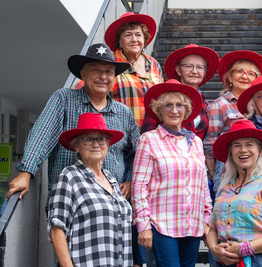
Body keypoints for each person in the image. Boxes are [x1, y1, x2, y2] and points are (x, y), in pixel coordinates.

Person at [6, 43, 139, 208]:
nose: (103, 77)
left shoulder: (124, 113)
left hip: (109, 209)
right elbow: (42, 135)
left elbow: (137, 153)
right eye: (96, 70)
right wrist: (25, 172)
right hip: (68, 205)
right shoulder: (64, 99)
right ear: (83, 73)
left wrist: (130, 180)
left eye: (108, 72)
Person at [132, 79, 212, 267]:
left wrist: (206, 219)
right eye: (168, 105)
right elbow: (139, 185)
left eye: (180, 105)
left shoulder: (196, 142)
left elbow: (203, 185)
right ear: (159, 109)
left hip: (192, 225)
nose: (174, 110)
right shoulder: (148, 140)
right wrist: (143, 226)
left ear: (187, 110)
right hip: (162, 225)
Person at [48, 113, 133, 266]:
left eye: (101, 139)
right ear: (76, 146)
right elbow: (56, 228)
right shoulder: (69, 177)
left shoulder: (111, 179)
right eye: (88, 139)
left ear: (108, 144)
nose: (96, 144)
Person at [207, 120, 262, 267]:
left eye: (249, 144)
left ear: (259, 151)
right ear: (231, 153)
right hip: (225, 262)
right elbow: (212, 228)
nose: (243, 150)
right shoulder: (224, 187)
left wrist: (243, 248)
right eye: (236, 145)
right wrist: (215, 250)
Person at [203, 50, 262, 198]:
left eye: (251, 73)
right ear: (230, 77)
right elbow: (210, 146)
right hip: (228, 170)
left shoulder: (259, 105)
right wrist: (219, 175)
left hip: (257, 169)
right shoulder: (219, 105)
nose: (245, 76)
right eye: (239, 71)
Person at [141, 44, 219, 140]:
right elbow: (147, 137)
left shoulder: (206, 106)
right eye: (188, 66)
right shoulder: (162, 99)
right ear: (178, 70)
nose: (194, 71)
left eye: (200, 67)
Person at [104, 12, 163, 128]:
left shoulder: (154, 64)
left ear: (144, 39)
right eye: (128, 35)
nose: (134, 39)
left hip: (151, 136)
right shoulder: (109, 62)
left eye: (138, 35)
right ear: (119, 40)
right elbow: (83, 90)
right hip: (120, 136)